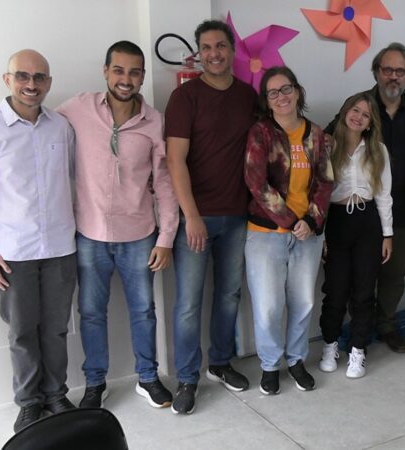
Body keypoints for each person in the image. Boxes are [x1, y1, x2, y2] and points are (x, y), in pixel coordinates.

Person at [0, 42, 181, 410]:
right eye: (118, 70)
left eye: (134, 72)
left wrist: (166, 236)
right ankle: (94, 384)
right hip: (88, 236)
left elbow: (164, 180)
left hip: (138, 235)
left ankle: (147, 377)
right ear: (105, 71)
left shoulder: (153, 121)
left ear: (143, 77)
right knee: (89, 315)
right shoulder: (76, 110)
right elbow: (26, 119)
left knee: (143, 311)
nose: (125, 79)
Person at [0, 50, 78, 432]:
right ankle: (29, 403)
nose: (31, 84)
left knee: (56, 329)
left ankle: (56, 395)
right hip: (12, 252)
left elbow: (74, 177)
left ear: (49, 82)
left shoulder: (61, 126)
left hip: (60, 247)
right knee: (22, 333)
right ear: (7, 79)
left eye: (39, 77)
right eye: (23, 76)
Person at [165, 19, 257, 413]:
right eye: (206, 47)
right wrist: (192, 216)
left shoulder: (248, 96)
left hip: (237, 216)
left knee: (229, 295)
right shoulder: (185, 97)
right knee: (188, 303)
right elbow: (175, 160)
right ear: (198, 53)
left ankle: (220, 362)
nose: (214, 53)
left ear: (232, 50)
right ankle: (187, 379)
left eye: (220, 46)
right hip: (196, 219)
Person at [325, 43, 405, 353]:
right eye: (387, 69)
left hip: (401, 207)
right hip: (359, 210)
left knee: (394, 273)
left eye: (400, 71)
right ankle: (356, 331)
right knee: (355, 276)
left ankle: (386, 325)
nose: (393, 76)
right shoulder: (359, 105)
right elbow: (329, 140)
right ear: (376, 72)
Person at [244, 66, 333, 394]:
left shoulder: (317, 135)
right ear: (267, 101)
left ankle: (296, 360)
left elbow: (325, 181)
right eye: (273, 92)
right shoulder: (261, 133)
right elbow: (256, 182)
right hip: (266, 234)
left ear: (297, 92)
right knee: (268, 306)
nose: (281, 97)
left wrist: (311, 221)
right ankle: (270, 364)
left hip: (308, 235)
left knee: (303, 302)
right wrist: (290, 221)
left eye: (286, 89)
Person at [319, 92, 393, 379]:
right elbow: (319, 193)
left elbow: (384, 195)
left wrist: (387, 235)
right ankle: (330, 344)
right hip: (336, 221)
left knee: (363, 291)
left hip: (367, 221)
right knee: (335, 290)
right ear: (344, 111)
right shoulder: (327, 146)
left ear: (371, 122)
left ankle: (358, 350)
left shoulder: (378, 151)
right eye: (354, 110)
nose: (358, 117)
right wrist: (321, 234)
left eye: (365, 114)